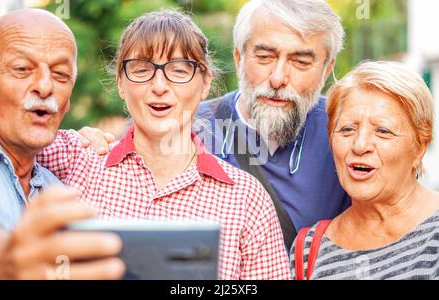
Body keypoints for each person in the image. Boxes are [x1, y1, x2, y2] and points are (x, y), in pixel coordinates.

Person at [37, 11, 291, 280]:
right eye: (142, 70)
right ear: (121, 83)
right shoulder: (75, 158)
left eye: (179, 70)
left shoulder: (247, 199)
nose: (159, 86)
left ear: (205, 83)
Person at [77, 0, 351, 249]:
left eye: (301, 62)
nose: (278, 78)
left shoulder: (348, 136)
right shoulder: (182, 123)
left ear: (327, 69)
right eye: (264, 57)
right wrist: (87, 143)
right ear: (239, 59)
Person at [0, 9, 124, 279]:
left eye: (61, 74)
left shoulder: (57, 185)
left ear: (68, 101)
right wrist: (3, 263)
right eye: (21, 69)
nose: (44, 86)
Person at [290, 61, 439, 280]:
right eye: (347, 129)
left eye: (383, 131)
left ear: (419, 148)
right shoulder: (309, 248)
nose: (360, 145)